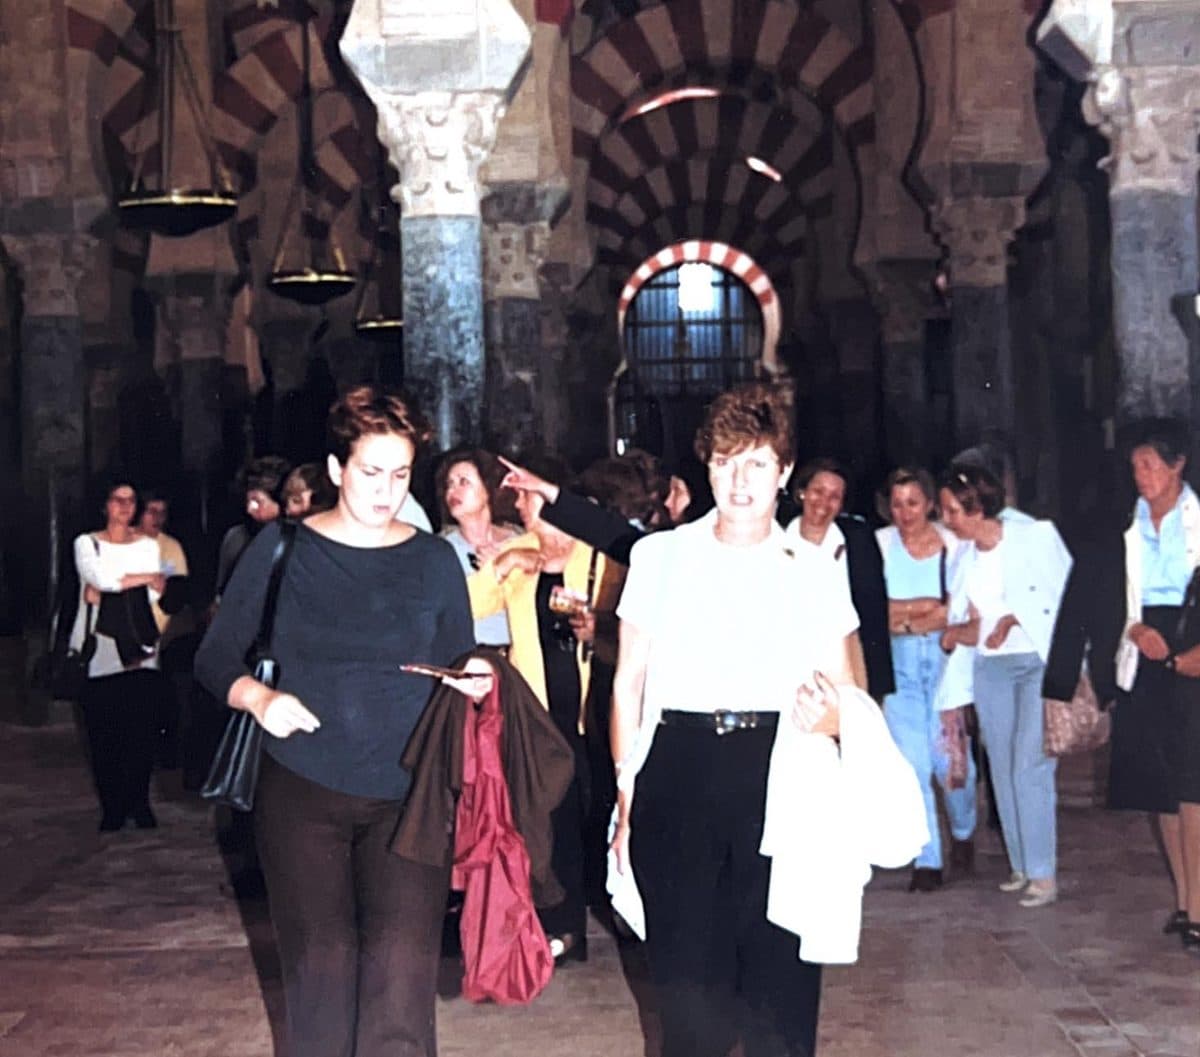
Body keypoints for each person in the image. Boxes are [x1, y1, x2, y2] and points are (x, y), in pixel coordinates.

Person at [194, 385, 475, 1057]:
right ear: (336, 467)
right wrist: (260, 701)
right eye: (370, 471)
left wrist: (477, 678)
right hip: (302, 791)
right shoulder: (282, 550)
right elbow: (213, 658)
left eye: (400, 474)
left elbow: (456, 663)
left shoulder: (434, 558)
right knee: (321, 983)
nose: (385, 490)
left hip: (408, 798)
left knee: (401, 987)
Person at [609, 383, 875, 1057]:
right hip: (678, 768)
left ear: (784, 472)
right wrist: (626, 788)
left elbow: (853, 689)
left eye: (756, 462)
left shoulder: (813, 570)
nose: (739, 479)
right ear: (706, 466)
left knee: (778, 996)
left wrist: (832, 717)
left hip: (781, 773)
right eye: (726, 461)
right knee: (689, 998)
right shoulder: (660, 557)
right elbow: (627, 683)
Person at [466, 452, 620, 963]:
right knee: (539, 821)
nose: (521, 503)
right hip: (532, 716)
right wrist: (505, 566)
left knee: (584, 818)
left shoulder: (598, 557)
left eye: (529, 493)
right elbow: (467, 607)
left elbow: (631, 626)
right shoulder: (517, 552)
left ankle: (587, 922)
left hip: (588, 713)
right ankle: (552, 926)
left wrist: (598, 628)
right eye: (518, 495)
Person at [938, 464, 1071, 908]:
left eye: (953, 510)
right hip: (991, 667)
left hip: (1034, 663)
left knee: (1030, 767)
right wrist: (960, 632)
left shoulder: (1034, 537)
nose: (948, 520)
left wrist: (1013, 619)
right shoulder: (963, 556)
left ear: (978, 507)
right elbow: (970, 620)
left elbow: (1061, 595)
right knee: (1001, 766)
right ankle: (1020, 864)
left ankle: (1044, 874)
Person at [1101, 420, 1200, 953]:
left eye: (1151, 466)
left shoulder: (1197, 521)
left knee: (1194, 786)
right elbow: (1120, 596)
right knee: (1163, 788)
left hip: (1192, 643)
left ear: (1177, 465)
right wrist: (1134, 629)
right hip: (1146, 651)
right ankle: (1185, 901)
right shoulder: (1131, 524)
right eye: (1135, 466)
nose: (1141, 476)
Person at [875, 467, 977, 892]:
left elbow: (954, 611)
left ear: (930, 504)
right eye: (897, 504)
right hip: (897, 668)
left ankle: (964, 828)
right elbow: (878, 611)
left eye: (913, 502)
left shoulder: (953, 546)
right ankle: (928, 860)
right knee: (912, 764)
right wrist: (924, 611)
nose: (905, 513)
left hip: (944, 664)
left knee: (952, 765)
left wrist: (907, 615)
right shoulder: (880, 545)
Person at [72, 479, 166, 831]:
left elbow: (153, 595)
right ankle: (112, 806)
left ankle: (139, 803)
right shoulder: (87, 543)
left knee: (140, 731)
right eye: (118, 500)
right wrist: (141, 579)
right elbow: (102, 578)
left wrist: (125, 583)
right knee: (105, 733)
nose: (125, 507)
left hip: (139, 645)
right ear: (105, 505)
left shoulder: (146, 545)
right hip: (101, 648)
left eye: (131, 500)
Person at [785, 458, 894, 700]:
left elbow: (875, 612)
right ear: (802, 492)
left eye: (835, 496)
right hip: (792, 662)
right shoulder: (776, 539)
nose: (824, 502)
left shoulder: (857, 540)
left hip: (846, 658)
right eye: (818, 491)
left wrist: (877, 686)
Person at [436, 447, 519, 647]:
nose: (452, 491)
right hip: (470, 657)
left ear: (489, 489)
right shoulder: (439, 549)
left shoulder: (520, 541)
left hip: (519, 660)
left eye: (463, 482)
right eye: (449, 484)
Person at [215, 455, 291, 597]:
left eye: (257, 502)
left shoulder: (298, 543)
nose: (249, 509)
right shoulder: (237, 539)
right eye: (248, 501)